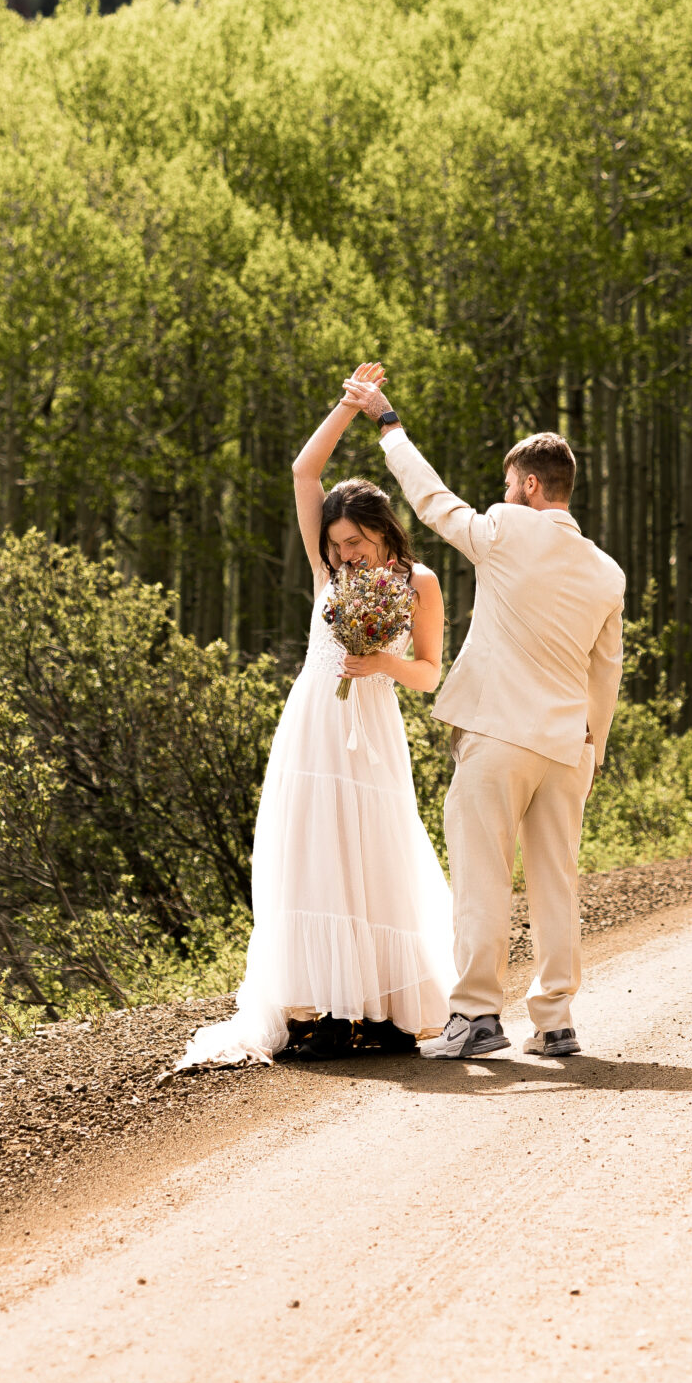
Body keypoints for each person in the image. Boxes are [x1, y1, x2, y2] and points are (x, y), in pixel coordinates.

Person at [342, 371, 626, 1061]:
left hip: (499, 736)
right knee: (555, 881)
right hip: (566, 746)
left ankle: (475, 1015)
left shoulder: (505, 529)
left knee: (481, 876)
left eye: (507, 485)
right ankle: (555, 1021)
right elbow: (605, 673)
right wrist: (592, 750)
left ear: (528, 486)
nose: (502, 497)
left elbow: (433, 501)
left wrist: (388, 423)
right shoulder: (605, 571)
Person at [177, 364, 454, 1067]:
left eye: (354, 542)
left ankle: (388, 1015)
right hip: (314, 728)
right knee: (316, 859)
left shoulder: (418, 583)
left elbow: (428, 674)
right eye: (335, 546)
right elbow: (305, 472)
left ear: (381, 531)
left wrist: (380, 663)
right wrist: (346, 407)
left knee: (377, 856)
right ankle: (328, 1011)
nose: (343, 554)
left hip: (374, 730)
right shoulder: (329, 577)